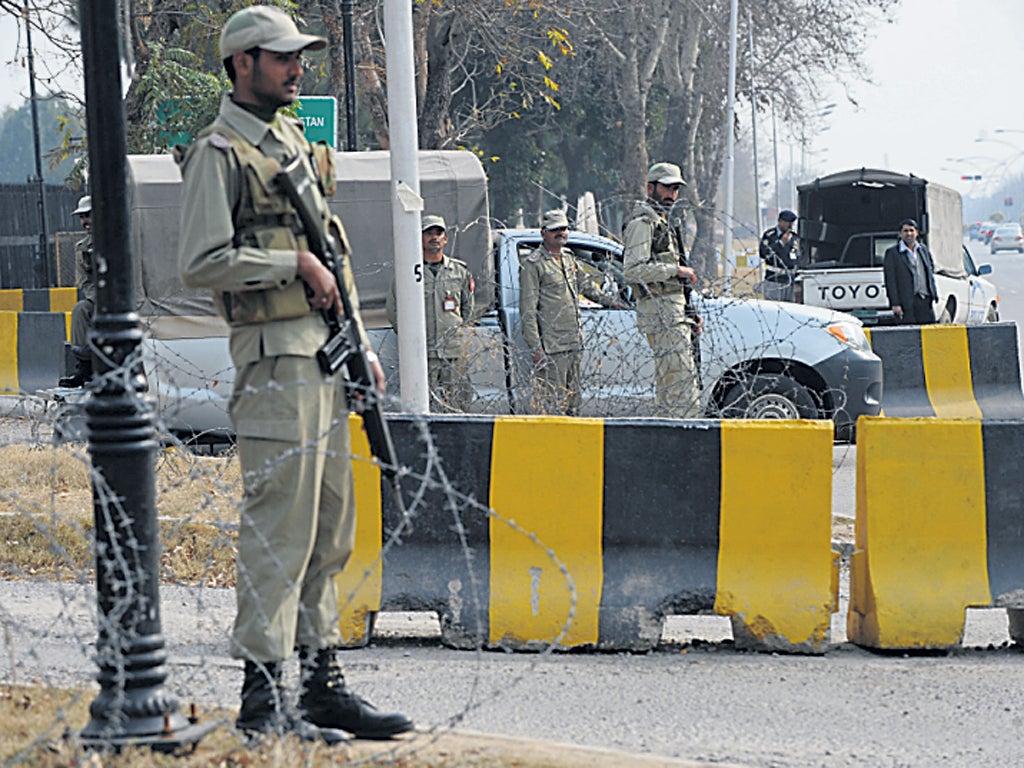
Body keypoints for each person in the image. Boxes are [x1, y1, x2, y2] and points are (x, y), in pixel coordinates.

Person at [175, 5, 411, 745]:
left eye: (297, 57)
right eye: (281, 58)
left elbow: (333, 256)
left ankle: (319, 683)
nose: (296, 68)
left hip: (323, 355)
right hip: (274, 362)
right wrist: (290, 264)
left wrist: (361, 342)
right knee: (279, 529)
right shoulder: (219, 152)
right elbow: (199, 261)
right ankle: (263, 694)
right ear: (241, 64)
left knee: (327, 528)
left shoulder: (289, 141)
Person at [519, 208, 623, 415]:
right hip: (552, 346)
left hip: (573, 341)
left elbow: (587, 287)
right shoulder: (534, 264)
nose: (561, 233)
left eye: (564, 229)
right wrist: (537, 348)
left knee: (573, 401)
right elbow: (528, 311)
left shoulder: (568, 259)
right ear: (544, 233)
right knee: (554, 403)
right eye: (554, 229)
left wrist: (613, 302)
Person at [622, 162, 703, 419]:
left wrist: (690, 313)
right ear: (651, 187)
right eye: (667, 188)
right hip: (661, 311)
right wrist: (675, 271)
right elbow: (632, 270)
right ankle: (684, 436)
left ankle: (670, 436)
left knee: (672, 384)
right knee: (681, 387)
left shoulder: (662, 222)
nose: (672, 195)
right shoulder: (644, 223)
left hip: (673, 309)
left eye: (676, 189)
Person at [386, 214, 475, 411]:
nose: (434, 237)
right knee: (425, 407)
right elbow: (393, 309)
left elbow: (468, 308)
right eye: (428, 233)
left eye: (438, 233)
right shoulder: (408, 271)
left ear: (445, 238)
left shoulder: (458, 271)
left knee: (458, 405)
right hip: (422, 354)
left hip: (453, 352)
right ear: (420, 237)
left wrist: (455, 333)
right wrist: (411, 339)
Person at [58, 196, 96, 387]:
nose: (84, 222)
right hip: (99, 299)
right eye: (81, 217)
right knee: (80, 310)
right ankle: (84, 367)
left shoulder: (118, 239)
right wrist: (100, 301)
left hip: (127, 299)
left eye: (88, 215)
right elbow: (85, 281)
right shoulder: (81, 247)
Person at [883, 218, 938, 324]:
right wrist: (895, 304)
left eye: (911, 230)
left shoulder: (923, 250)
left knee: (929, 333)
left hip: (925, 300)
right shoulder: (893, 253)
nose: (909, 234)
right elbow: (890, 280)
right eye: (905, 231)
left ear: (916, 233)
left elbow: (930, 271)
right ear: (900, 234)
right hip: (906, 303)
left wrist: (933, 294)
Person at [759, 209, 799, 302]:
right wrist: (780, 243)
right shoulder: (770, 235)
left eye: (791, 224)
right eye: (787, 223)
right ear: (780, 221)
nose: (789, 226)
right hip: (774, 278)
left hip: (789, 278)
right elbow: (763, 253)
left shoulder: (794, 237)